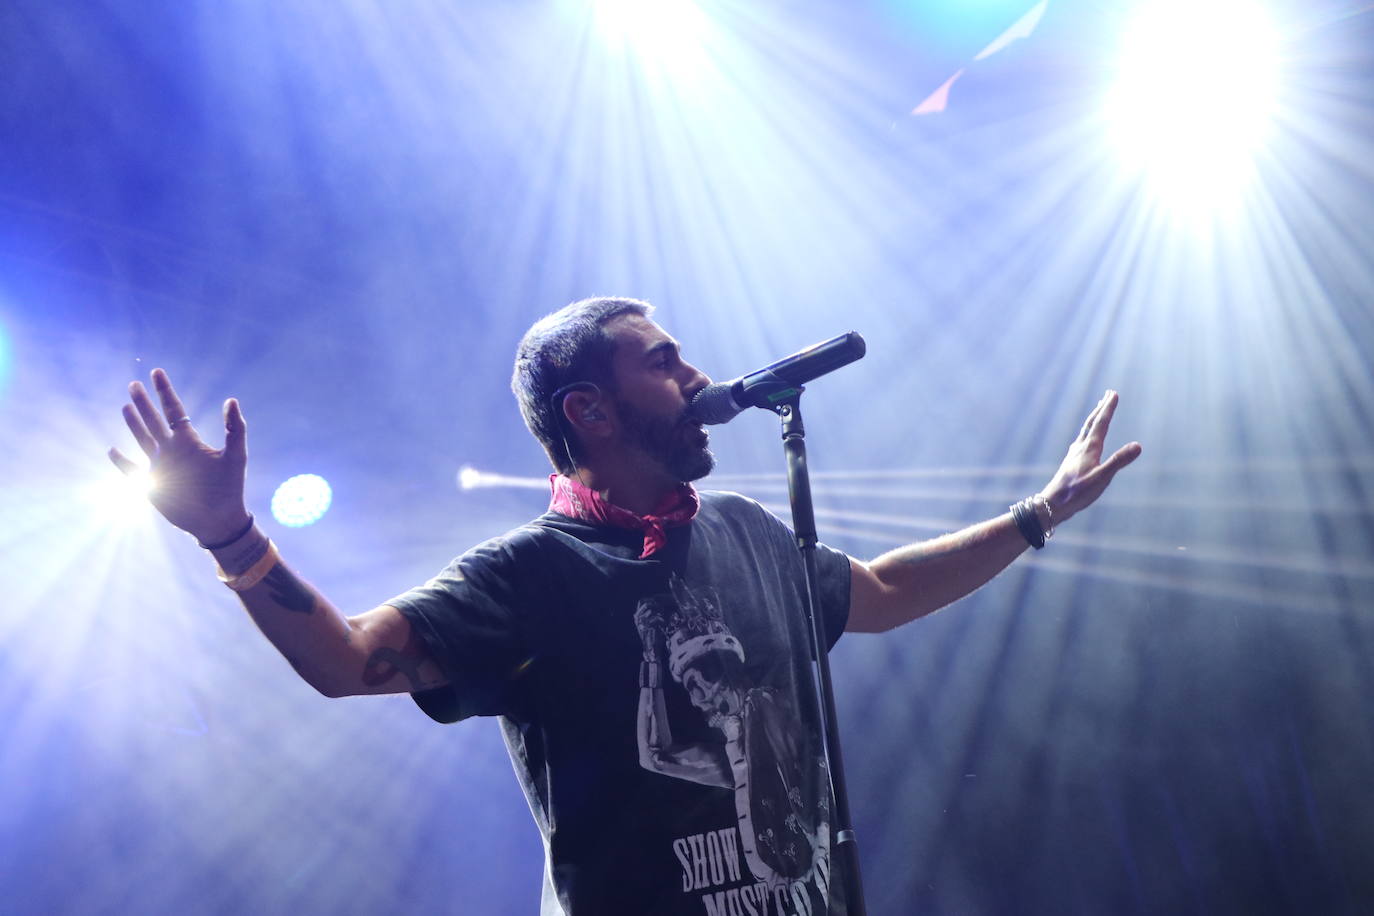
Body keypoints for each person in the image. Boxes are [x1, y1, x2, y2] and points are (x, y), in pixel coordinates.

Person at [109, 297, 1141, 915]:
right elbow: (351, 662)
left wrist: (1038, 513)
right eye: (663, 361)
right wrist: (230, 536)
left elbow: (880, 591)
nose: (697, 375)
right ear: (589, 411)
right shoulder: (529, 573)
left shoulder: (742, 529)